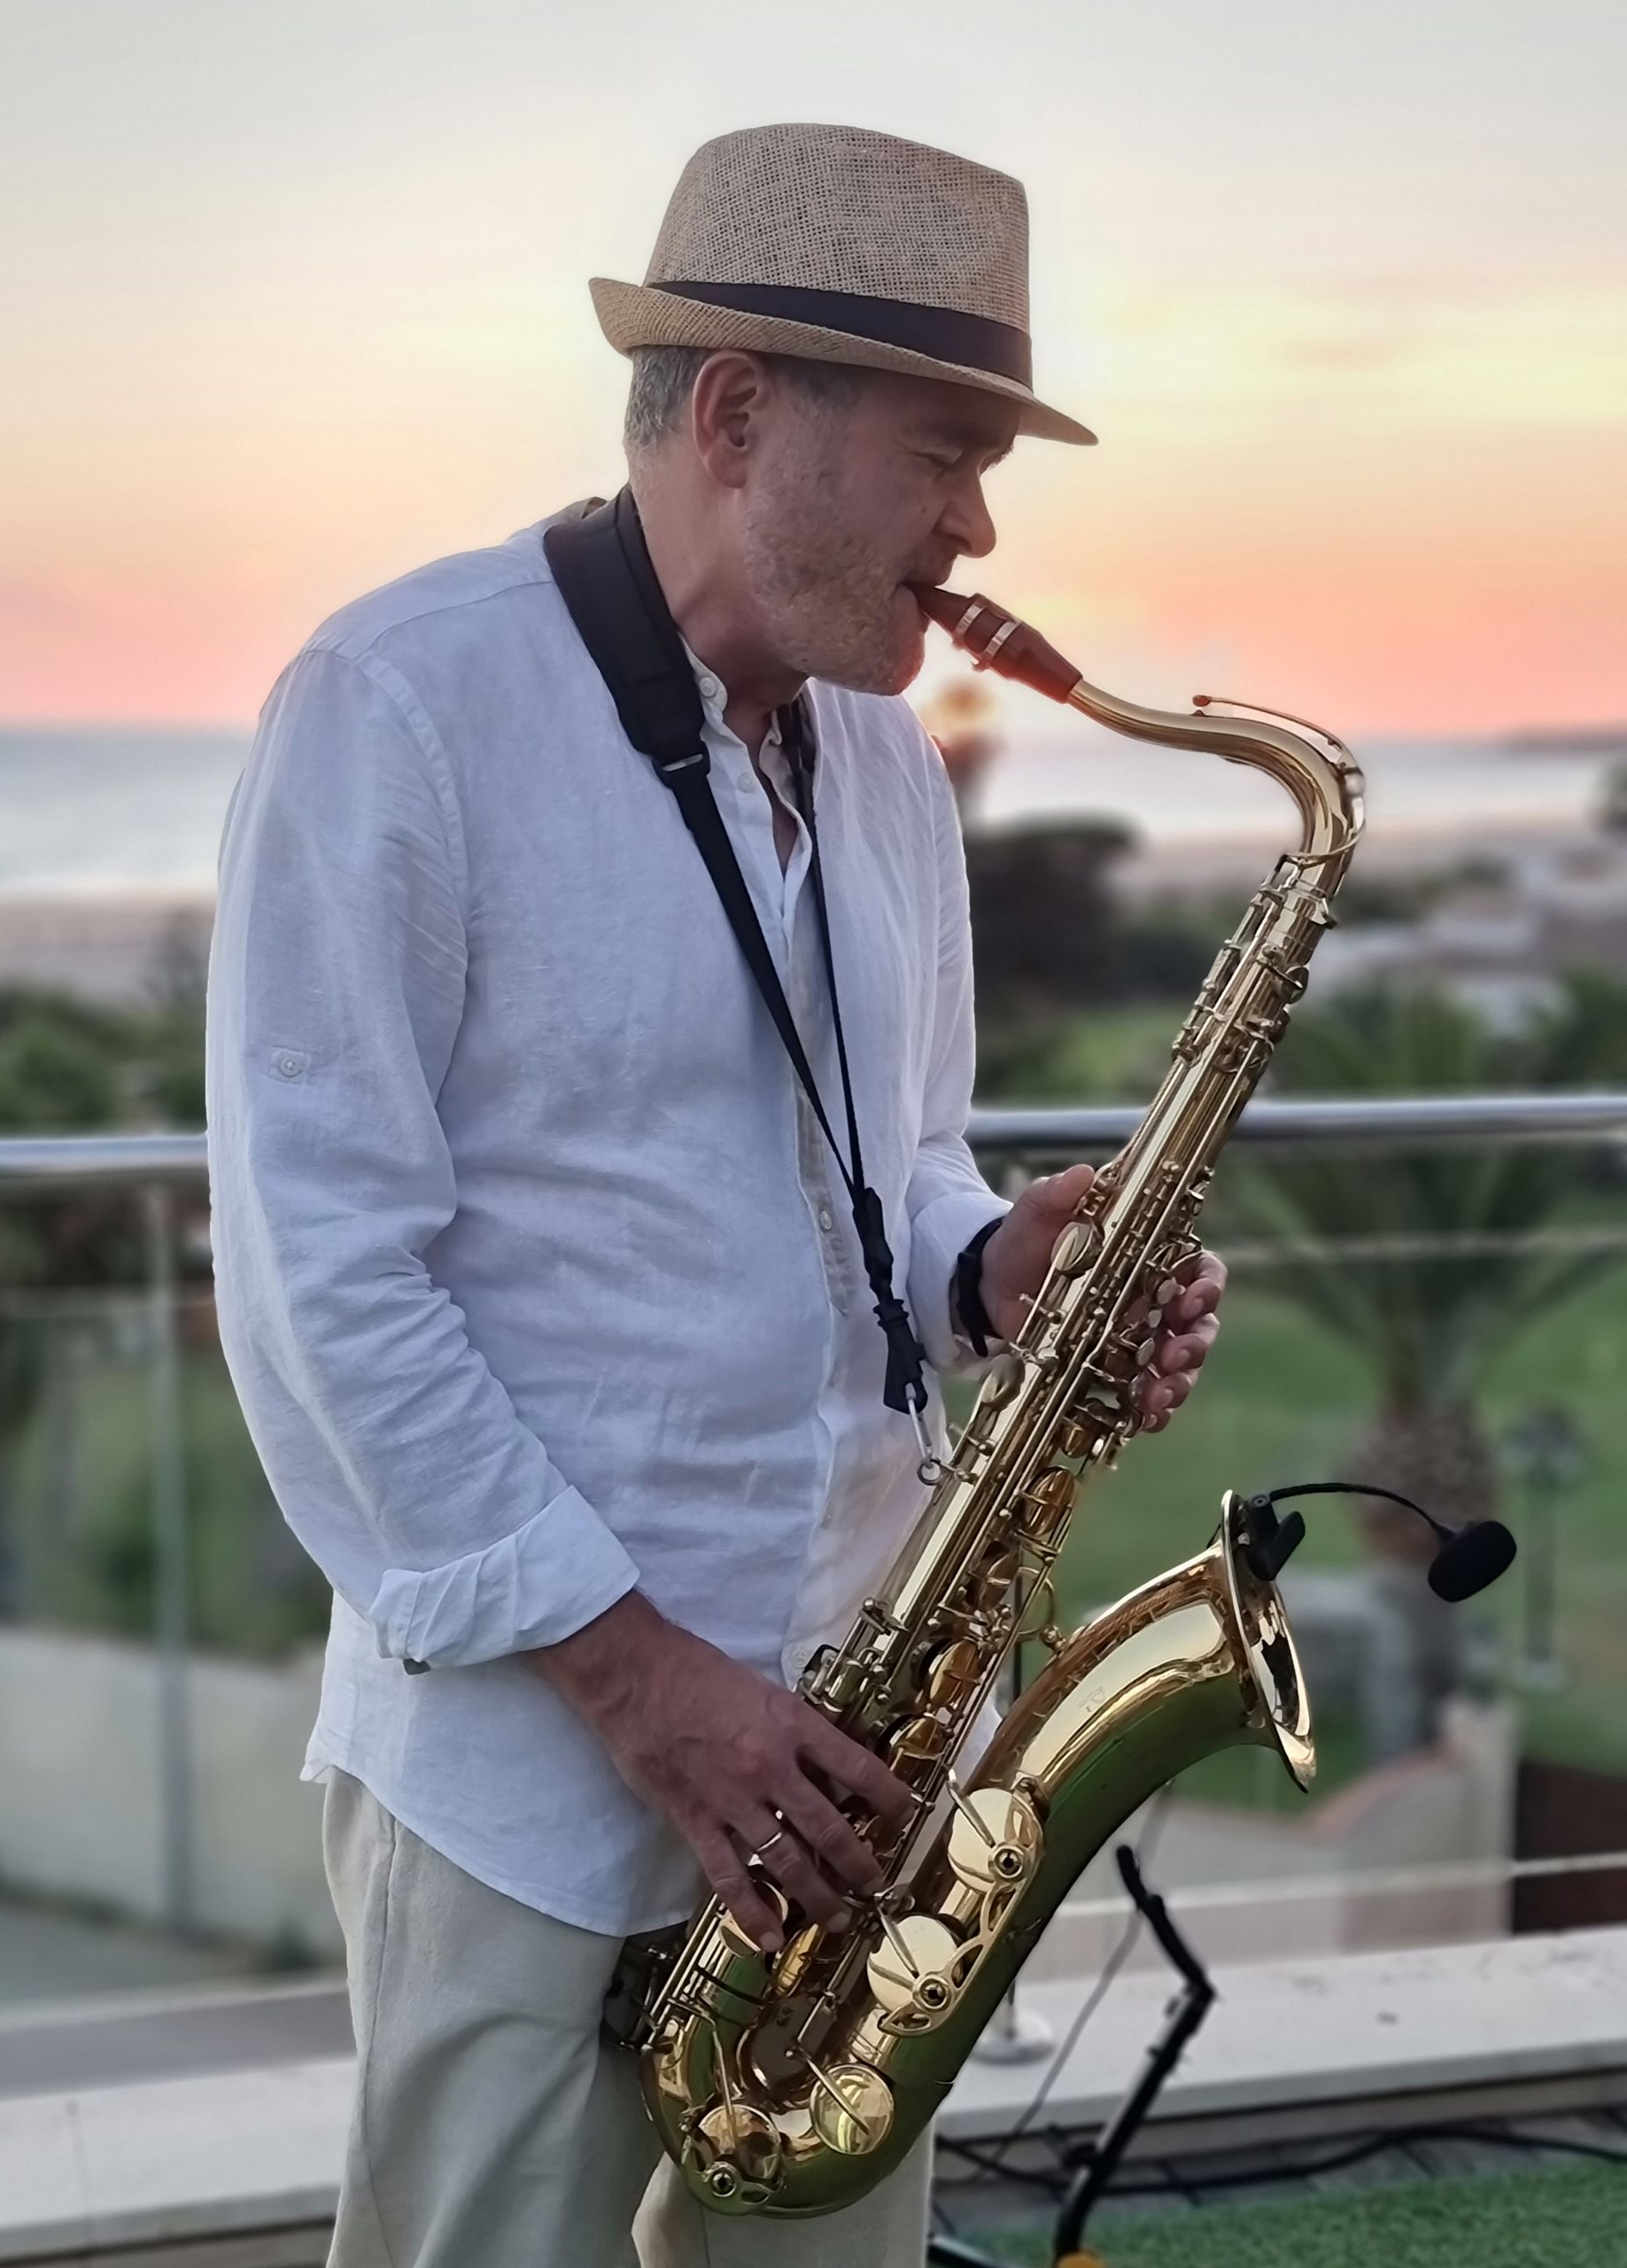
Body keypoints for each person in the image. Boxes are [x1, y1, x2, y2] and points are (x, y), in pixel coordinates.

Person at [206, 121, 1226, 2268]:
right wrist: (646, 1679)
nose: (981, 523)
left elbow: (898, 1160)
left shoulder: (882, 755)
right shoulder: (400, 704)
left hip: (848, 1760)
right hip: (534, 1781)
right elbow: (324, 1282)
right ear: (744, 410)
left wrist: (997, 1262)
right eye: (949, 449)